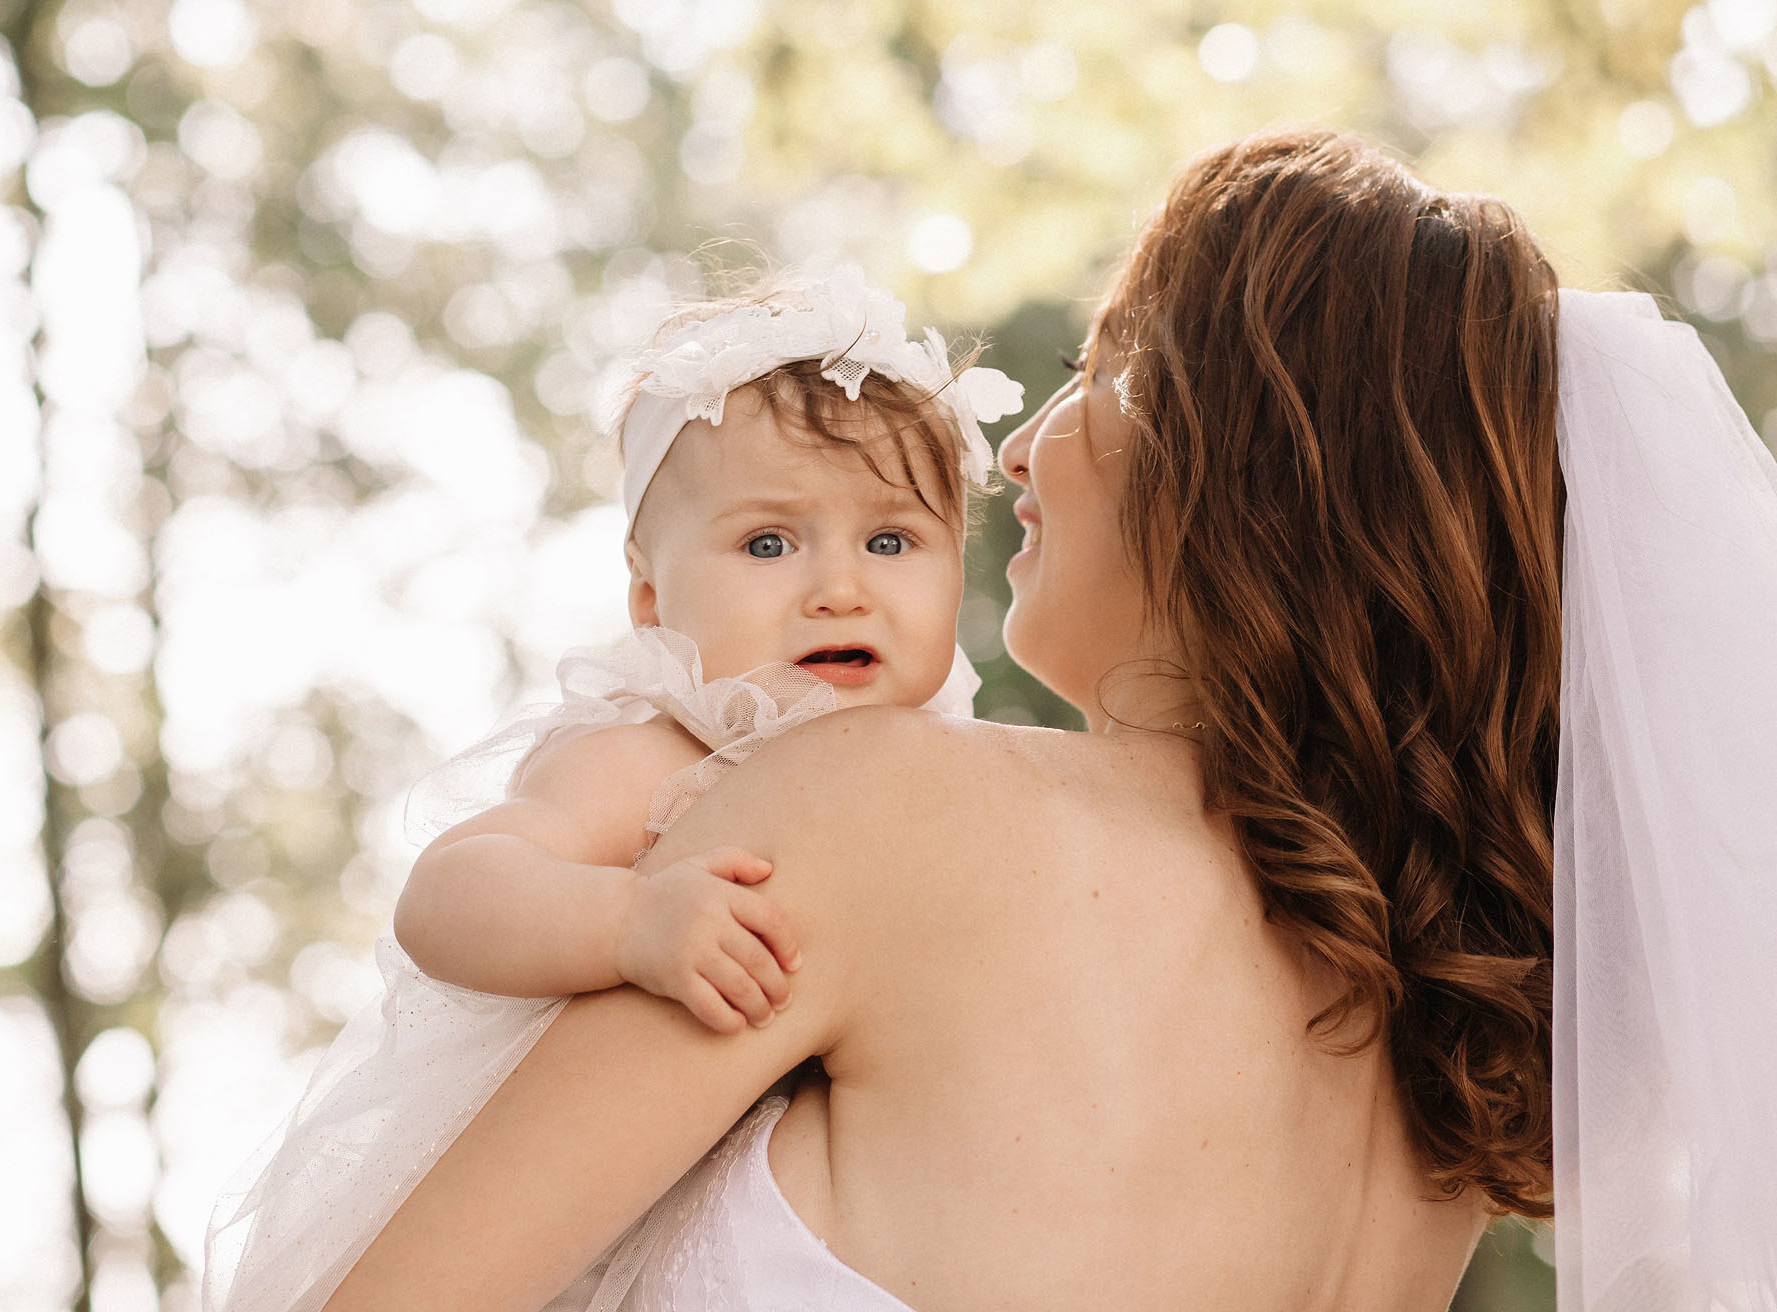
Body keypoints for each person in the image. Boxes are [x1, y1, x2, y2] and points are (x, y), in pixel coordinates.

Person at [323, 128, 1777, 1311]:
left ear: (1249, 460)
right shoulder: (1436, 1080)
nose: (1017, 449)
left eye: (1105, 369)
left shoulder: (878, 803)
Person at [204, 267, 1024, 1311]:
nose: (839, 586)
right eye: (768, 543)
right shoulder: (658, 755)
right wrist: (627, 919)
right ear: (648, 596)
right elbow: (448, 892)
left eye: (891, 540)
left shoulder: (962, 781)